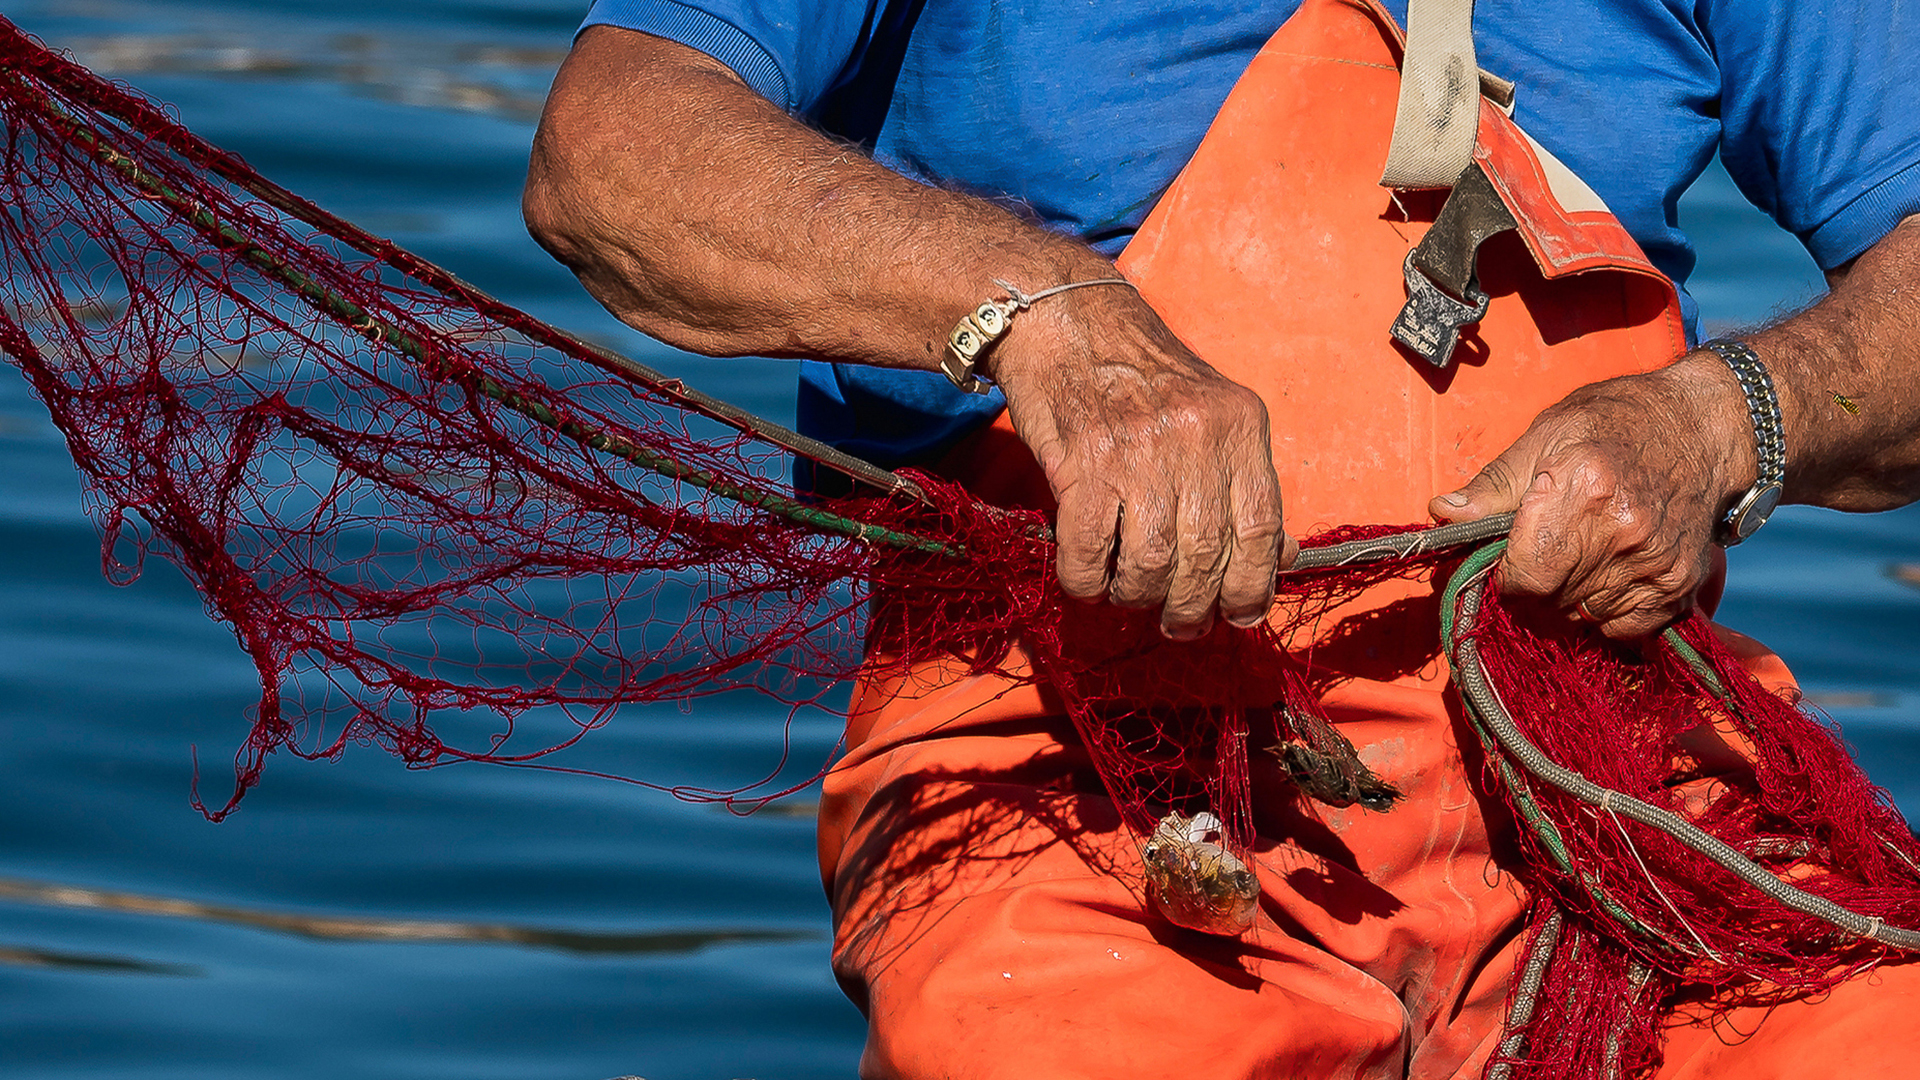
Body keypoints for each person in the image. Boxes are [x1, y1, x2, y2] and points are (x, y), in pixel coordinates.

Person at [520, 1, 1920, 1076]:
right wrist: (1043, 317)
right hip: (1073, 770)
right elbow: (615, 146)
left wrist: (1728, 419)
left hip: (1600, 773)